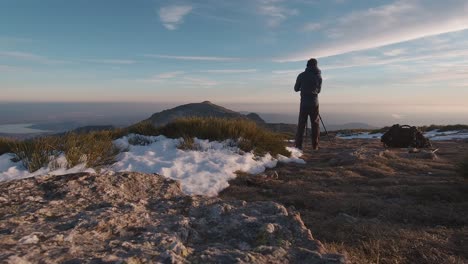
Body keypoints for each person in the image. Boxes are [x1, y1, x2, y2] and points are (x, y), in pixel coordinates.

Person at [294, 58, 322, 150]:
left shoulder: (301, 75)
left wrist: (303, 87)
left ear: (307, 65)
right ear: (316, 65)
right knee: (315, 124)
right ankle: (315, 146)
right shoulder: (319, 76)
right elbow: (319, 91)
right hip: (314, 103)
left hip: (304, 103)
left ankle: (298, 146)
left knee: (301, 124)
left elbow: (296, 89)